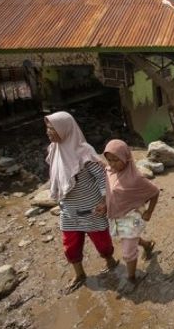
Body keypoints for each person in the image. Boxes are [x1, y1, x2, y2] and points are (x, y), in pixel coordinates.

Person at [44, 111, 118, 294]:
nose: (48, 132)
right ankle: (79, 274)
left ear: (65, 129)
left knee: (102, 243)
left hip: (93, 209)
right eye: (47, 128)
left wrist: (104, 201)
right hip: (68, 210)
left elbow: (102, 177)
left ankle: (110, 261)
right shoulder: (54, 150)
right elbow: (58, 177)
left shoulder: (84, 152)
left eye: (52, 128)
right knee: (70, 246)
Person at [103, 140, 160, 282]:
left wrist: (149, 212)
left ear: (125, 158)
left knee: (128, 251)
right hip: (117, 215)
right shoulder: (109, 172)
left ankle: (131, 277)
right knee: (129, 237)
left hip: (132, 215)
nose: (112, 164)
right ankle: (147, 245)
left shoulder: (136, 179)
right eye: (109, 160)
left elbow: (154, 192)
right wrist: (104, 206)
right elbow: (110, 193)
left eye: (116, 160)